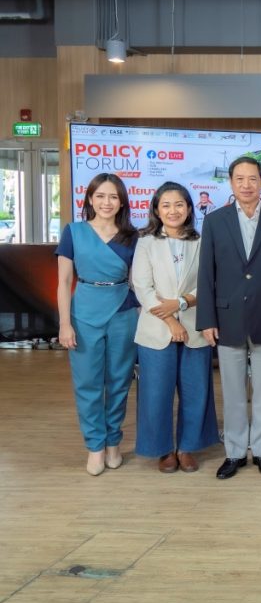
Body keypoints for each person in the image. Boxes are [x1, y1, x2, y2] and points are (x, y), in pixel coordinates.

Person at [197, 157, 261, 480]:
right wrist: (207, 319)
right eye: (239, 179)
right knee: (233, 389)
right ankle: (236, 452)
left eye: (252, 178)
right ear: (230, 183)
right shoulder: (215, 221)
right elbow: (205, 275)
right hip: (227, 319)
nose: (246, 185)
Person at [132, 181, 220, 473]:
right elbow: (142, 288)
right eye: (166, 205)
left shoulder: (202, 240)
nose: (173, 210)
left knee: (196, 391)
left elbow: (209, 283)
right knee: (155, 393)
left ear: (189, 208)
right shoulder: (146, 242)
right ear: (156, 209)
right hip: (156, 329)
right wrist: (170, 320)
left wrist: (180, 305)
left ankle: (187, 448)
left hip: (196, 326)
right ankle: (163, 450)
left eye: (179, 204)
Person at [55, 173, 139, 475]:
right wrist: (65, 324)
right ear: (90, 199)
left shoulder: (133, 236)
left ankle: (114, 442)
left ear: (122, 202)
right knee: (88, 383)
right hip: (84, 312)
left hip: (124, 311)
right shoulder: (73, 232)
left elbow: (136, 282)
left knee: (119, 382)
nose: (107, 202)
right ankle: (95, 446)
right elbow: (64, 282)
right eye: (100, 196)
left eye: (113, 197)